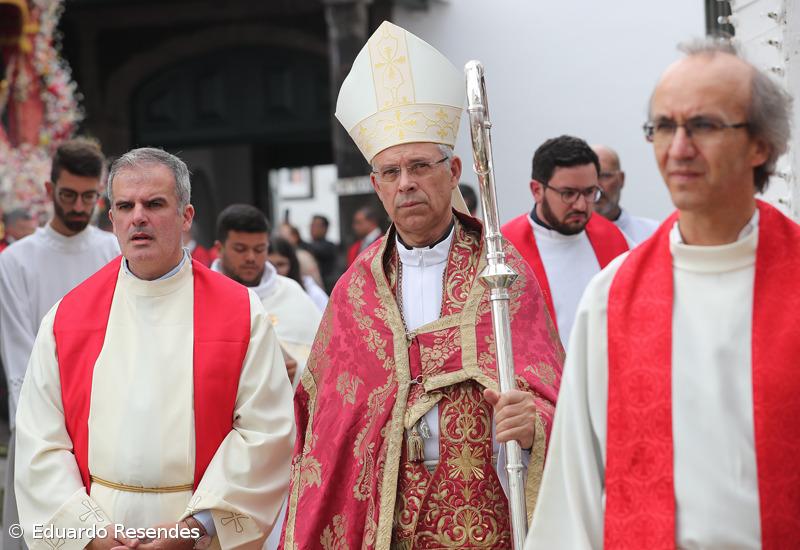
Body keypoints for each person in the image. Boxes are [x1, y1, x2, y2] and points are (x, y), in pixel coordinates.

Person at [281, 21, 563, 549]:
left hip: (485, 507)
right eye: (390, 172)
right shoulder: (356, 291)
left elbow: (551, 390)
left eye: (419, 166)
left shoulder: (501, 273)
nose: (405, 182)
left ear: (453, 169)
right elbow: (326, 421)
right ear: (375, 185)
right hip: (385, 522)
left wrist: (535, 425)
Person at [526, 39, 798, 549]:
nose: (679, 149)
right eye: (665, 127)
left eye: (705, 125)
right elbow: (574, 491)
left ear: (760, 145)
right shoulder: (612, 297)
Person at [14, 148, 294, 549]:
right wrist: (89, 534)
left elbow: (266, 431)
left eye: (155, 203)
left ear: (186, 217)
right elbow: (39, 439)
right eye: (125, 206)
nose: (138, 217)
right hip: (99, 527)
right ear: (112, 221)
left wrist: (196, 528)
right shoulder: (68, 317)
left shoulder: (240, 312)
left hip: (197, 531)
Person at [0, 138, 120, 550]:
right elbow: (18, 354)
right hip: (40, 417)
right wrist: (32, 432)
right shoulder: (15, 261)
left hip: (107, 416)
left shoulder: (113, 252)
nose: (77, 207)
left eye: (88, 197)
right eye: (68, 195)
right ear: (50, 191)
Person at [502, 136, 630, 348]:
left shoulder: (614, 238)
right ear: (537, 190)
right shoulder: (504, 250)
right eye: (568, 194)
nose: (581, 205)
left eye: (590, 192)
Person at [212, 203, 321, 386]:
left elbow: (328, 358)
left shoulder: (291, 291)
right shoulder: (200, 295)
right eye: (240, 249)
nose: (250, 258)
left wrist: (299, 370)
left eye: (259, 249)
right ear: (219, 248)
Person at [592, 144, 660, 243]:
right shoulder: (567, 238)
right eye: (590, 177)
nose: (597, 186)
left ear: (621, 179)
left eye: (605, 176)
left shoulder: (653, 234)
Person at [268, 236, 328, 311]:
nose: (275, 270)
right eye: (269, 264)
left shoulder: (311, 293)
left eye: (281, 264)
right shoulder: (254, 294)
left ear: (292, 265)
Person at [307, 214, 340, 293]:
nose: (313, 228)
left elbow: (317, 250)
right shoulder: (308, 246)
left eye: (316, 225)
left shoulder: (330, 246)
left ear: (325, 228)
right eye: (312, 225)